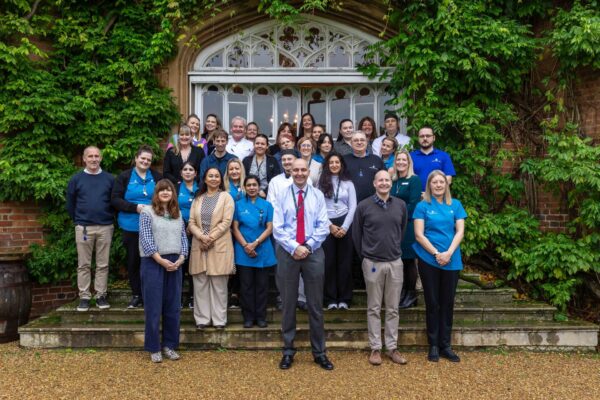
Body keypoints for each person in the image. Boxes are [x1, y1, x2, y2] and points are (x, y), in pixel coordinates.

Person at [273, 158, 333, 371]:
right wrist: (294, 247)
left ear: (309, 172)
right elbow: (278, 228)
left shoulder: (317, 195)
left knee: (315, 304)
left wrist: (306, 246)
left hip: (313, 251)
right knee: (288, 303)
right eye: (295, 169)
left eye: (303, 169)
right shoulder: (281, 194)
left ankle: (319, 352)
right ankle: (288, 350)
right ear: (290, 170)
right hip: (288, 252)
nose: (299, 173)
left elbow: (323, 226)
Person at [353, 170, 408, 366]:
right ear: (374, 183)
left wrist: (391, 249)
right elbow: (356, 234)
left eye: (387, 180)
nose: (384, 183)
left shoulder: (400, 205)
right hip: (372, 263)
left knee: (393, 308)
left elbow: (401, 231)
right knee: (374, 307)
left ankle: (392, 347)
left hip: (395, 262)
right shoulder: (363, 206)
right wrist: (367, 255)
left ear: (390, 184)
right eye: (380, 180)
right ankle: (375, 348)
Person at [413, 170, 467, 363]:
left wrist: (448, 253)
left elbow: (460, 232)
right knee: (433, 302)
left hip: (452, 260)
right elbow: (419, 235)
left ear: (446, 184)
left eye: (441, 182)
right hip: (429, 260)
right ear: (429, 185)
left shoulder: (456, 205)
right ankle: (433, 344)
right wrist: (436, 254)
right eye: (434, 182)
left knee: (447, 303)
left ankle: (446, 345)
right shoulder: (422, 206)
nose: (438, 185)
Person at [139, 179, 188, 363]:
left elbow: (183, 238)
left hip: (175, 263)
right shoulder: (147, 212)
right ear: (157, 193)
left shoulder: (177, 213)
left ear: (173, 193)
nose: (166, 193)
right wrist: (161, 260)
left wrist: (182, 258)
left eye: (169, 190)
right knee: (153, 307)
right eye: (162, 190)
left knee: (172, 307)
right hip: (153, 262)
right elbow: (146, 239)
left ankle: (170, 345)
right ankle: (154, 347)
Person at [112, 145, 162, 308]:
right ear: (136, 159)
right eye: (143, 158)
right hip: (131, 225)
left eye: (148, 159)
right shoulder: (125, 177)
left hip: (154, 226)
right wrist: (135, 208)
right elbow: (115, 199)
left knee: (152, 260)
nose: (145, 161)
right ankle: (136, 294)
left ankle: (150, 294)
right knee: (134, 261)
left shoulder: (156, 176)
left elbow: (166, 196)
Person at [67, 146, 115, 312]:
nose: (94, 159)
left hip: (105, 227)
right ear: (84, 159)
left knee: (103, 264)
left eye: (97, 156)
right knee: (84, 264)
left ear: (101, 158)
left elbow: (113, 202)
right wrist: (80, 221)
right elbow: (70, 204)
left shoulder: (109, 179)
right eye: (90, 156)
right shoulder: (76, 179)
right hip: (84, 228)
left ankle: (101, 295)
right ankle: (85, 296)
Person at [188, 167, 235, 329]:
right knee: (200, 284)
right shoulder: (198, 199)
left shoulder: (226, 197)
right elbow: (191, 222)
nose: (214, 178)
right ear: (205, 179)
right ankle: (202, 319)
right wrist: (201, 237)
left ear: (220, 179)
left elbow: (226, 222)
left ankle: (219, 320)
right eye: (210, 176)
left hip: (219, 244)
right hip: (199, 245)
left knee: (219, 285)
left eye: (217, 176)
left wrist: (210, 237)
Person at [232, 175, 277, 328]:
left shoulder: (267, 205)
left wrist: (256, 243)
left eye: (254, 185)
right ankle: (248, 317)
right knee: (246, 286)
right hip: (243, 250)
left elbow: (270, 227)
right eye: (249, 185)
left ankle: (261, 316)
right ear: (245, 187)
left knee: (262, 286)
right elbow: (235, 228)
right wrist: (246, 245)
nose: (252, 188)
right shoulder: (238, 205)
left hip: (262, 250)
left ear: (259, 187)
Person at [317, 154, 356, 310]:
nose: (334, 165)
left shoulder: (348, 183)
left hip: (345, 223)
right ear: (327, 165)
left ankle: (344, 298)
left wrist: (345, 227)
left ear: (341, 164)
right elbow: (318, 207)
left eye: (337, 162)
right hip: (327, 224)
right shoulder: (321, 183)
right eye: (331, 162)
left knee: (345, 263)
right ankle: (331, 299)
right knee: (329, 263)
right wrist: (330, 226)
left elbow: (353, 206)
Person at [390, 150, 422, 309]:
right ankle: (402, 292)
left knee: (409, 260)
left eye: (404, 160)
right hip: (394, 227)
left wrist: (397, 216)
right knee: (399, 260)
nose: (401, 162)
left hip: (408, 225)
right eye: (398, 160)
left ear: (409, 162)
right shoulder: (394, 181)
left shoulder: (414, 180)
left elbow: (414, 204)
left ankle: (411, 294)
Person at [177, 161, 199, 309]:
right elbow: (171, 206)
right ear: (181, 172)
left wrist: (192, 226)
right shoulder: (176, 187)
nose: (188, 172)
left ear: (195, 173)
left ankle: (192, 297)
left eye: (191, 169)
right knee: (180, 266)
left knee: (194, 266)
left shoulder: (201, 189)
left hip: (197, 232)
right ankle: (177, 297)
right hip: (178, 231)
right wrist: (183, 226)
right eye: (185, 169)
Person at [410, 126, 456, 191]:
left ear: (434, 138)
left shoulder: (443, 156)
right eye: (422, 136)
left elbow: (448, 179)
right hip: (417, 197)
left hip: (437, 197)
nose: (425, 138)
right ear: (418, 138)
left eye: (428, 136)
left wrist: (432, 193)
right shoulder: (411, 156)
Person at [343, 131, 385, 202]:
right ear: (351, 143)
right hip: (349, 203)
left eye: (362, 140)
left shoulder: (376, 159)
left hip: (373, 203)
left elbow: (384, 180)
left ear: (366, 142)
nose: (359, 142)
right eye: (356, 140)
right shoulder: (343, 160)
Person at [242, 133, 281, 198]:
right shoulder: (246, 160)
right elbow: (242, 178)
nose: (259, 146)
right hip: (248, 195)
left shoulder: (272, 160)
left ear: (267, 146)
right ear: (254, 145)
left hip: (267, 195)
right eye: (257, 143)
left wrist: (265, 191)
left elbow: (276, 179)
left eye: (262, 144)